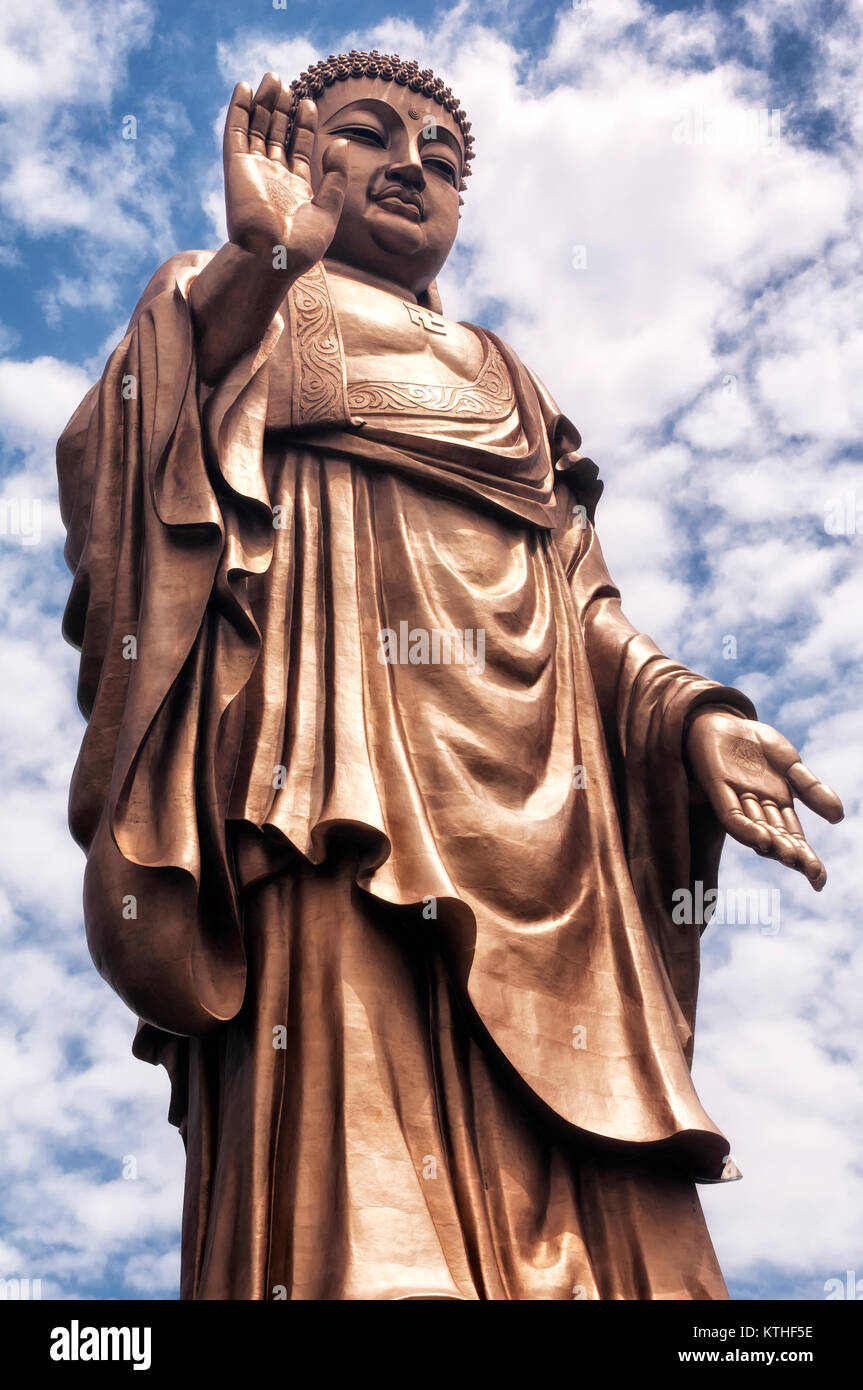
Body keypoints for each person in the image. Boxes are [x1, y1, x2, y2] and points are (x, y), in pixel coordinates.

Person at [57, 52, 843, 1300]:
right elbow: (127, 471)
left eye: (442, 155)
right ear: (298, 156)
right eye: (368, 135)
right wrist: (263, 263)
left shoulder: (506, 378)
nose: (411, 165)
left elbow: (580, 602)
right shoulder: (246, 303)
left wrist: (689, 718)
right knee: (359, 1170)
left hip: (548, 834)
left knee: (617, 1229)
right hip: (333, 781)